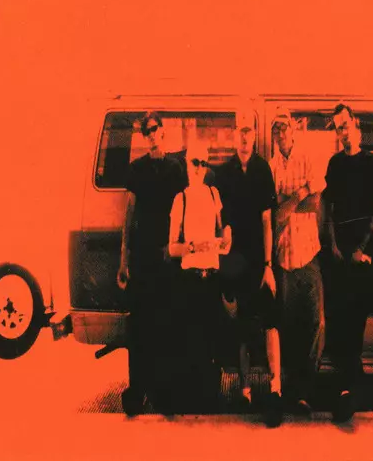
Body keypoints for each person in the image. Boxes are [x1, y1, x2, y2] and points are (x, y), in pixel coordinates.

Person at [116, 111, 187, 415]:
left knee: (167, 324)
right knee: (140, 327)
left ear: (163, 131)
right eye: (145, 131)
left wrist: (178, 249)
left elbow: (184, 210)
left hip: (167, 256)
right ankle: (138, 390)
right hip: (142, 258)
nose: (150, 135)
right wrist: (124, 259)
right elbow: (129, 214)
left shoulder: (176, 168)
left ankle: (165, 393)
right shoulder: (136, 169)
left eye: (154, 129)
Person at [214, 109, 282, 427]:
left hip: (258, 259)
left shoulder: (262, 169)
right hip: (235, 259)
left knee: (270, 322)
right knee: (242, 324)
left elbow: (267, 220)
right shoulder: (224, 173)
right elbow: (222, 220)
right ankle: (245, 391)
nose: (244, 137)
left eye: (248, 132)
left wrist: (268, 265)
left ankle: (275, 389)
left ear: (254, 135)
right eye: (240, 131)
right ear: (234, 135)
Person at [323, 102, 373, 423]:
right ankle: (346, 388)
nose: (342, 132)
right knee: (339, 320)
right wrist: (334, 246)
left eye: (345, 125)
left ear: (355, 125)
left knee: (355, 322)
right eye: (338, 128)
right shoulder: (334, 164)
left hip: (362, 257)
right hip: (338, 256)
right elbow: (328, 208)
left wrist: (360, 249)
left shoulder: (370, 163)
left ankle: (348, 392)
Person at [167, 138, 232, 411]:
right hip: (190, 278)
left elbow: (223, 229)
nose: (200, 168)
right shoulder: (180, 199)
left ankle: (210, 399)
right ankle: (191, 400)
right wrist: (194, 247)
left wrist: (226, 236)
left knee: (211, 340)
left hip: (212, 277)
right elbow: (172, 248)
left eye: (204, 163)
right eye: (195, 162)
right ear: (186, 164)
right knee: (191, 340)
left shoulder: (214, 194)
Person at [270, 107, 325, 417]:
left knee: (316, 323)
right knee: (288, 326)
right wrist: (301, 192)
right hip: (284, 258)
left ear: (293, 129)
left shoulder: (308, 157)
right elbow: (275, 215)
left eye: (284, 127)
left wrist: (288, 200)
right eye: (275, 128)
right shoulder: (271, 166)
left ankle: (305, 389)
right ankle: (292, 391)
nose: (280, 133)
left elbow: (315, 204)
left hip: (309, 254)